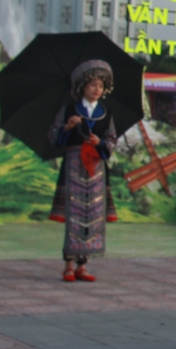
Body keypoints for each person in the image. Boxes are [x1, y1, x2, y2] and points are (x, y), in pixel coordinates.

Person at [48, 60, 119, 283]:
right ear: (82, 87)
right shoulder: (69, 110)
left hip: (96, 168)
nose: (97, 89)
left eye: (100, 85)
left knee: (93, 214)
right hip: (73, 166)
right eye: (92, 85)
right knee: (74, 214)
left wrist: (100, 143)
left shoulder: (105, 114)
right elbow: (53, 137)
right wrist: (67, 128)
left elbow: (112, 140)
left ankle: (83, 265)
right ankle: (68, 265)